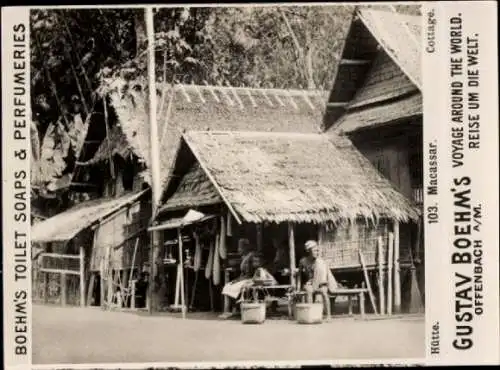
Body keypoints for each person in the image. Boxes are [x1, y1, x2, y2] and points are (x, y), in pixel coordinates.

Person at [299, 240, 338, 321]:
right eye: (315, 251)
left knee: (324, 292)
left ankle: (328, 316)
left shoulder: (320, 262)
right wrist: (298, 286)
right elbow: (299, 275)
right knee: (309, 291)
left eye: (318, 250)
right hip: (309, 283)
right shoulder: (303, 261)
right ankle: (311, 314)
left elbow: (324, 277)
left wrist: (322, 285)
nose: (317, 252)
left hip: (321, 282)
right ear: (309, 251)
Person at [222, 238, 260, 303]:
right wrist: (237, 279)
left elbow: (249, 274)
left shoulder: (250, 256)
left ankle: (237, 307)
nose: (238, 250)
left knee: (233, 287)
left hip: (251, 279)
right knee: (228, 286)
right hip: (245, 278)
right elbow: (243, 273)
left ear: (245, 248)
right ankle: (235, 307)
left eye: (240, 248)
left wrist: (238, 280)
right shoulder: (244, 257)